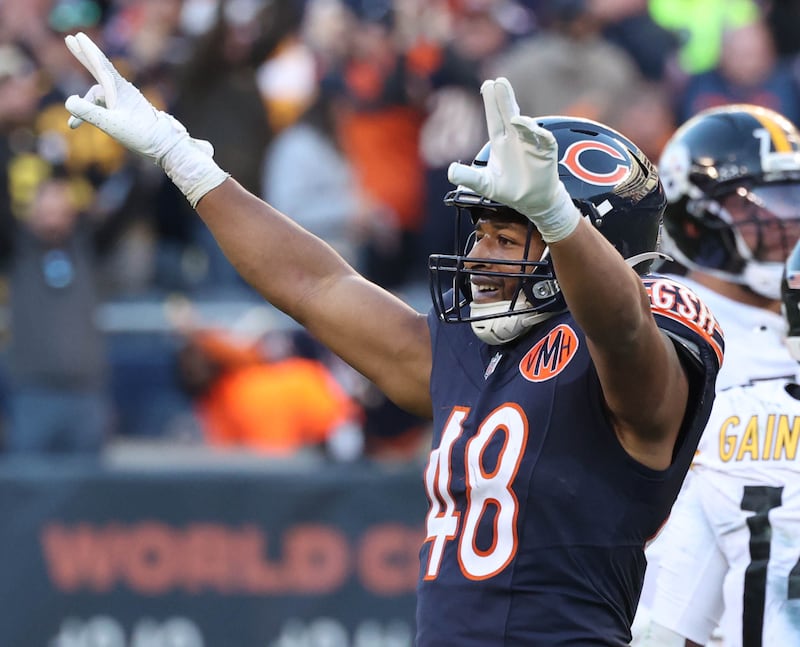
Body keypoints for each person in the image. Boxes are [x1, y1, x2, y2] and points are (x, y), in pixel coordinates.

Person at [62, 31, 722, 644]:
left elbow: (624, 332)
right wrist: (187, 159)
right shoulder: (472, 351)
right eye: (480, 232)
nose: (481, 257)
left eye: (506, 235)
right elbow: (315, 284)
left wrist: (555, 216)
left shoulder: (642, 339)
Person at [631, 104, 800, 645]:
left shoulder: (780, 313)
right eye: (763, 202)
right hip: (675, 605)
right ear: (695, 214)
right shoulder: (671, 322)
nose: (787, 221)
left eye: (794, 198)